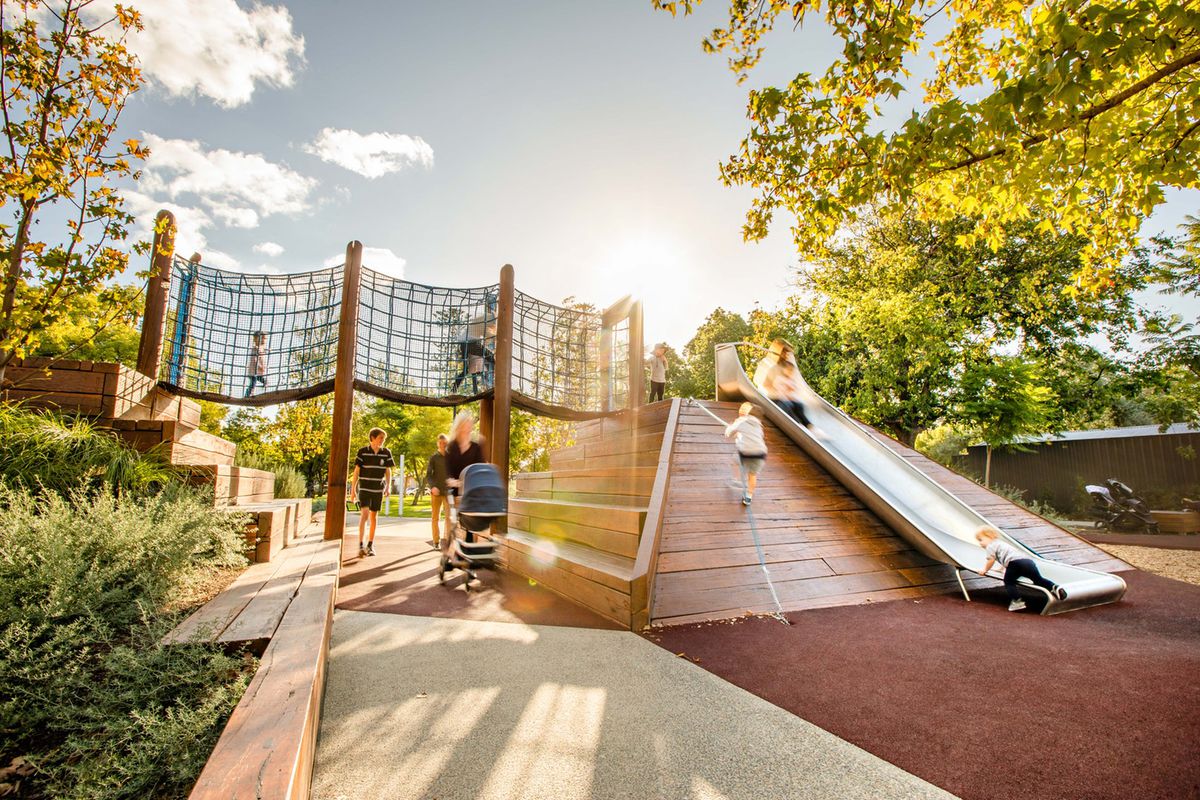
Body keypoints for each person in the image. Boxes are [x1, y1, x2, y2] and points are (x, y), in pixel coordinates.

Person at [975, 526, 1067, 611]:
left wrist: (984, 570)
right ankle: (1054, 587)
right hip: (1028, 562)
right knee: (1038, 580)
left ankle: (1017, 601)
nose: (980, 543)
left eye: (980, 540)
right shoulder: (1001, 544)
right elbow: (1007, 557)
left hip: (1015, 564)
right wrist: (1000, 569)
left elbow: (991, 560)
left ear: (990, 536)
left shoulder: (991, 546)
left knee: (1009, 582)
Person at [445, 411, 488, 542]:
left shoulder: (476, 447)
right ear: (458, 427)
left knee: (470, 519)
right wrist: (451, 481)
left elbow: (480, 467)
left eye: (469, 425)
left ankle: (469, 542)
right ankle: (452, 543)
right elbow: (447, 470)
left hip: (471, 490)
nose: (468, 428)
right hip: (455, 490)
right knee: (455, 518)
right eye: (465, 425)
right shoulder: (451, 447)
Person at [352, 427, 395, 558]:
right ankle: (360, 545)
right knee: (364, 514)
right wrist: (353, 490)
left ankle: (370, 545)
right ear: (372, 438)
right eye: (381, 438)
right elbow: (356, 472)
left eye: (384, 438)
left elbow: (388, 471)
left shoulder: (386, 452)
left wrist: (388, 486)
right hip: (364, 487)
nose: (383, 440)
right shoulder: (362, 452)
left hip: (378, 489)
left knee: (373, 517)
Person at [450, 297, 497, 395]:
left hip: (463, 344)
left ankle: (454, 389)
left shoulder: (481, 320)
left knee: (466, 369)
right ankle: (492, 381)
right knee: (491, 357)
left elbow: (486, 337)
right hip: (472, 343)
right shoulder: (487, 321)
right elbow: (488, 338)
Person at [724, 402, 767, 506]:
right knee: (752, 475)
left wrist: (730, 429)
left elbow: (728, 433)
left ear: (749, 413)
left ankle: (736, 480)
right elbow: (756, 436)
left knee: (735, 461)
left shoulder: (741, 421)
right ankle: (748, 497)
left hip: (746, 452)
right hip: (760, 453)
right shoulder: (759, 426)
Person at [764, 355, 811, 427]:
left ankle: (807, 424)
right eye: (789, 371)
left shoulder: (788, 378)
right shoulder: (777, 375)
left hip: (783, 398)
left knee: (799, 405)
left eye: (791, 371)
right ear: (784, 369)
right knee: (787, 405)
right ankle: (796, 423)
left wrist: (790, 391)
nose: (791, 373)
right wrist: (777, 391)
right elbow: (769, 386)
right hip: (775, 399)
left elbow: (792, 389)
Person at [425, 433, 451, 549]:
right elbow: (428, 475)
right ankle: (436, 542)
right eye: (440, 443)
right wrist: (432, 487)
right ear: (438, 444)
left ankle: (448, 542)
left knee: (449, 518)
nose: (442, 445)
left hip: (448, 492)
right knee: (435, 518)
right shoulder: (433, 458)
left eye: (445, 443)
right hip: (436, 492)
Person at [244, 331, 268, 398]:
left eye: (265, 338)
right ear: (256, 339)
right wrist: (259, 366)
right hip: (253, 371)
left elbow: (263, 351)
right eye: (262, 338)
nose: (264, 340)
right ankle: (247, 395)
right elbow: (255, 359)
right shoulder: (255, 348)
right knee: (252, 384)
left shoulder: (261, 348)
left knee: (261, 379)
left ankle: (265, 384)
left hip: (258, 371)